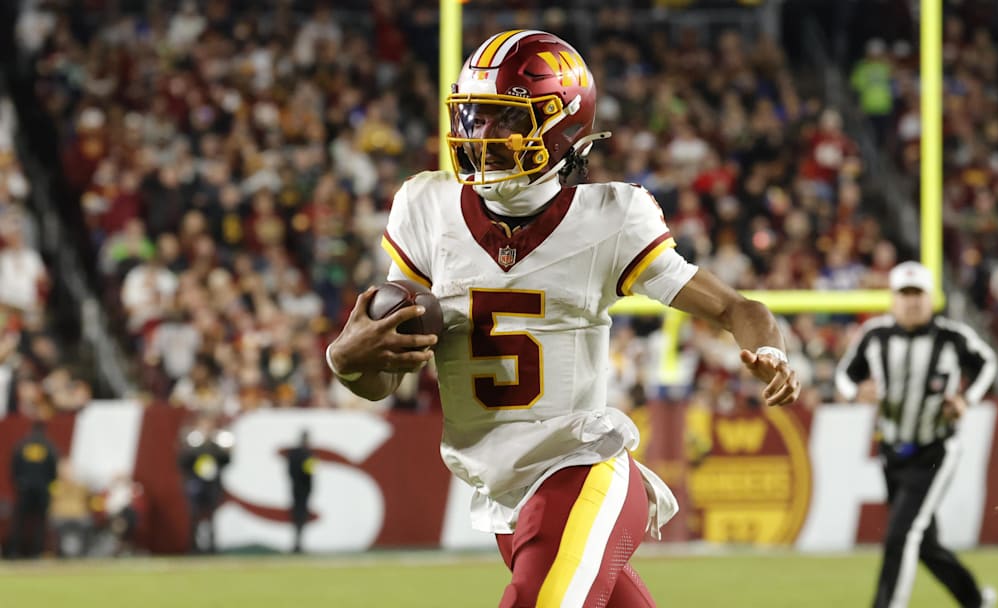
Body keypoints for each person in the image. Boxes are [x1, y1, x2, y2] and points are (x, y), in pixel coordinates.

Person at [326, 30, 800, 607]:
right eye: (474, 118)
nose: (481, 137)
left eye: (504, 120)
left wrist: (770, 350)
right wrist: (346, 362)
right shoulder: (428, 209)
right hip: (505, 497)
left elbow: (735, 307)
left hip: (580, 467)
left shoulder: (611, 218)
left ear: (562, 125)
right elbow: (383, 378)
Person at [835, 261, 998, 608]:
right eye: (904, 294)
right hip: (892, 450)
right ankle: (975, 600)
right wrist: (855, 393)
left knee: (900, 535)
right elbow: (845, 375)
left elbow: (987, 361)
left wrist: (966, 399)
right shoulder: (875, 336)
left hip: (935, 449)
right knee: (924, 542)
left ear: (931, 298)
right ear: (893, 298)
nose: (911, 302)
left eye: (918, 294)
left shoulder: (952, 337)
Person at [177, 416, 232, 554]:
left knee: (212, 517)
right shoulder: (192, 444)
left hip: (212, 484)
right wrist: (193, 447)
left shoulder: (216, 445)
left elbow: (225, 461)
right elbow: (183, 462)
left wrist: (225, 450)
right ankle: (194, 546)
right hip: (195, 484)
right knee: (194, 516)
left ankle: (212, 546)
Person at [8, 420, 58, 558]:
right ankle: (37, 552)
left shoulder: (22, 445)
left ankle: (14, 551)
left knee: (19, 522)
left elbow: (14, 467)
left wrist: (19, 483)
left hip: (24, 489)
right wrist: (49, 486)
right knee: (40, 522)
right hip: (42, 490)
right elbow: (53, 471)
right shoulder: (49, 447)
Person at [285, 430, 315, 554]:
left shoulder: (292, 454)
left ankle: (296, 544)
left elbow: (289, 471)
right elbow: (309, 473)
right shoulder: (307, 454)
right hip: (303, 489)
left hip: (295, 488)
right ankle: (298, 545)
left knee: (296, 515)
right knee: (301, 516)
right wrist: (309, 488)